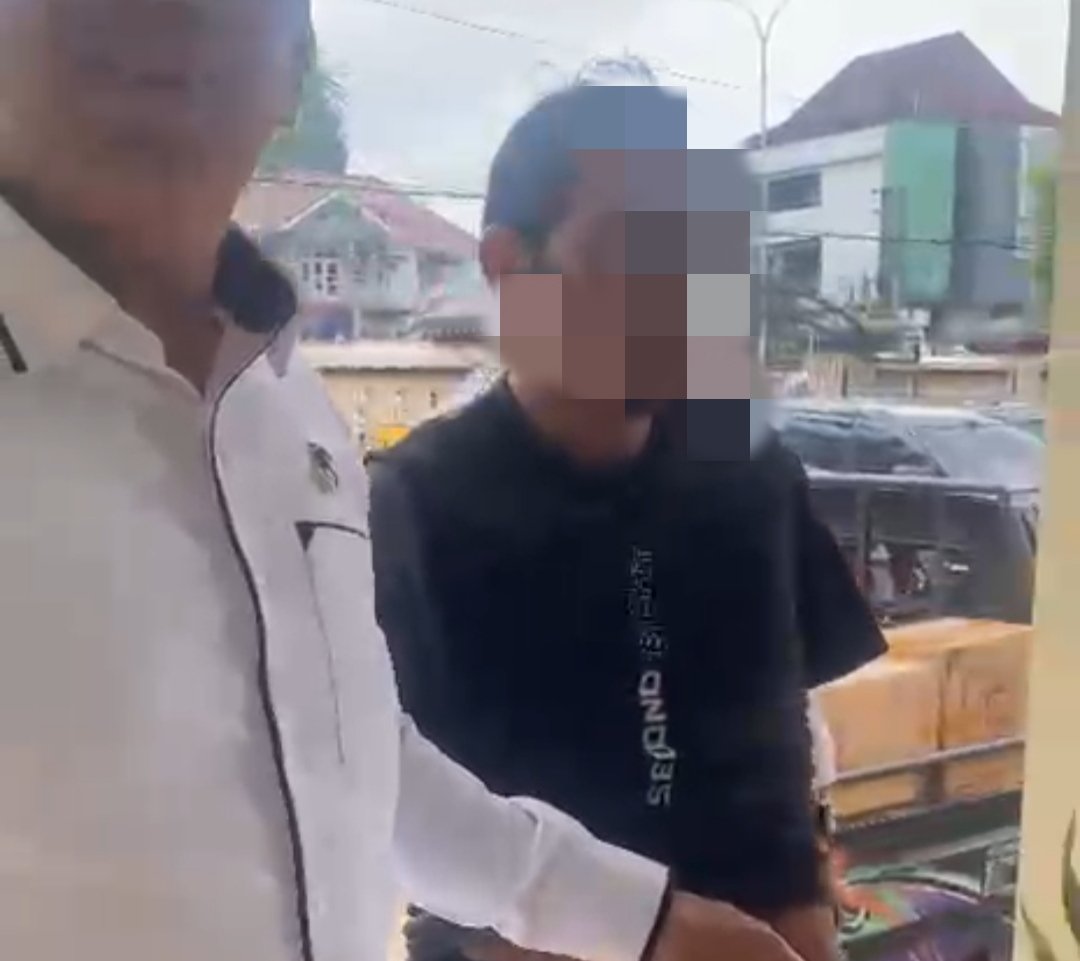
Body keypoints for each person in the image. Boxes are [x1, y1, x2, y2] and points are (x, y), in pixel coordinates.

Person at [0, 3, 807, 960]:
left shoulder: (287, 411)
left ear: (291, 69)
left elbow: (357, 758)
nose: (161, 19)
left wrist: (643, 920)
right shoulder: (424, 492)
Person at [369, 81, 886, 961]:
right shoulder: (414, 506)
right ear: (509, 266)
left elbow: (779, 745)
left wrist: (805, 914)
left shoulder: (748, 473)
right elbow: (402, 812)